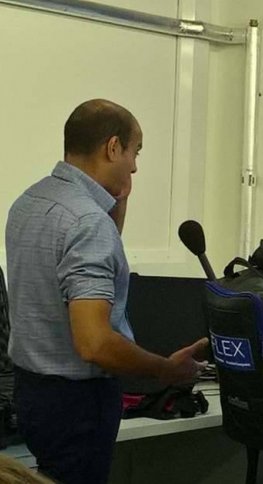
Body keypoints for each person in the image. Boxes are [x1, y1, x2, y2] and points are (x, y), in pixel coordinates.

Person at [5, 99, 209, 484]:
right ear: (113, 147)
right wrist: (164, 370)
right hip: (78, 405)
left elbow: (90, 266)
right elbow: (95, 344)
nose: (134, 165)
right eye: (135, 151)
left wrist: (119, 202)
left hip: (32, 393)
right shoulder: (87, 222)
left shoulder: (28, 203)